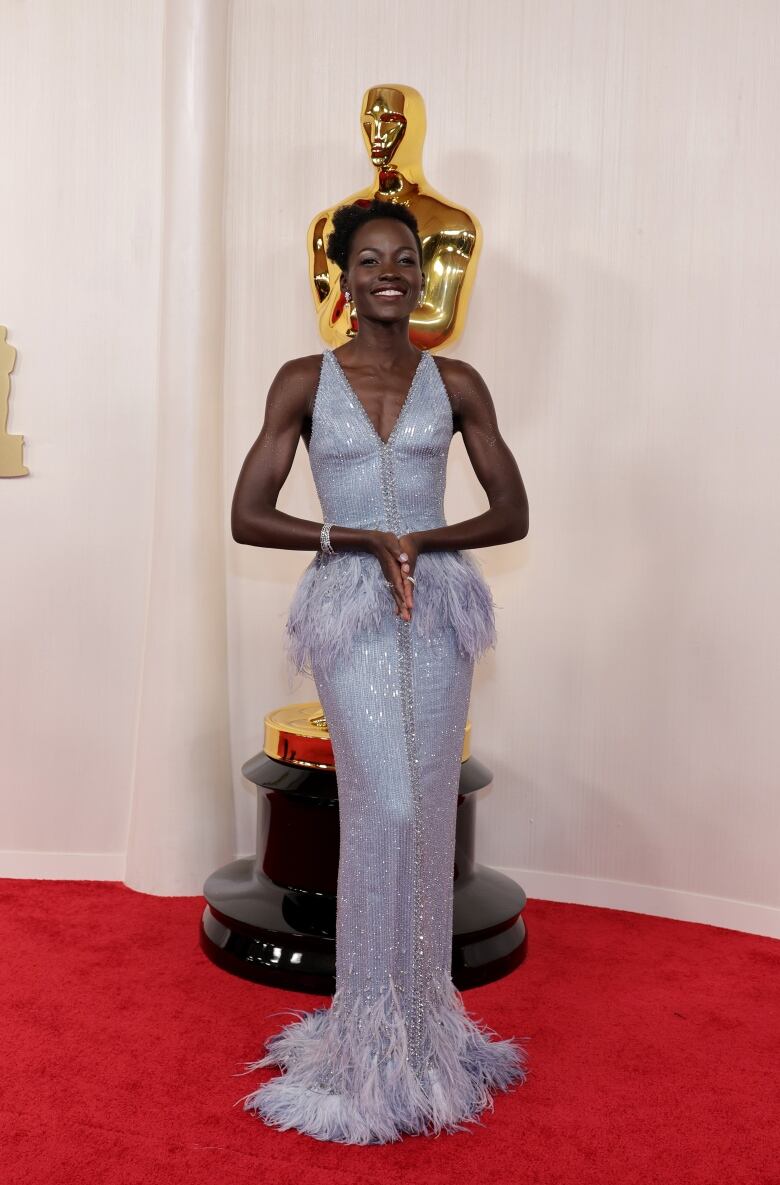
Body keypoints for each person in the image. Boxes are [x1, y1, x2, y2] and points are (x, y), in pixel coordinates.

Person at [231, 199, 530, 1144]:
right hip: (352, 612)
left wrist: (421, 540)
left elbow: (512, 507)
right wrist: (353, 536)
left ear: (422, 274)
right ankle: (367, 1034)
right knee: (383, 804)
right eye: (370, 259)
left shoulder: (461, 381)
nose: (390, 272)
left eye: (405, 258)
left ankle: (426, 1030)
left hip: (436, 610)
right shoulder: (300, 382)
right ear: (342, 276)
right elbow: (247, 511)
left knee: (428, 803)